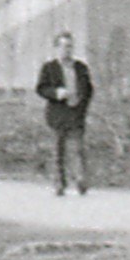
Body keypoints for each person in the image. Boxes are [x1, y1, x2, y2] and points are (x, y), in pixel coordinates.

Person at [35, 32, 95, 195]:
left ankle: (81, 180)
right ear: (56, 48)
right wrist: (55, 93)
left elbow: (89, 89)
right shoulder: (49, 68)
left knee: (77, 149)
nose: (67, 49)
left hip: (76, 114)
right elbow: (40, 88)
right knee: (57, 150)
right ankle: (59, 184)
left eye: (69, 46)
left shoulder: (81, 68)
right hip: (57, 115)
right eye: (63, 46)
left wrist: (83, 106)